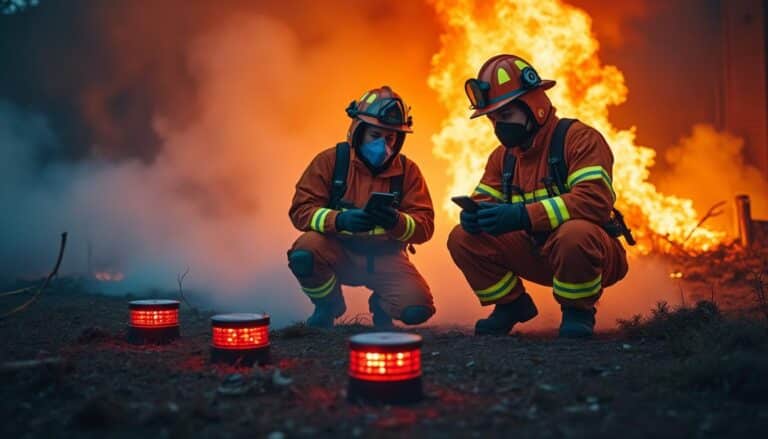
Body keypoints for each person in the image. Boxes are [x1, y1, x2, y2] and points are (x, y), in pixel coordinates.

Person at [447, 54, 630, 338]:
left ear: (535, 105)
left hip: (588, 253)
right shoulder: (502, 158)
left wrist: (523, 215)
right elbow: (484, 197)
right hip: (535, 253)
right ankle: (512, 306)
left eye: (505, 116)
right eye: (493, 119)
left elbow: (594, 201)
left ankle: (578, 312)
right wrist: (475, 216)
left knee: (575, 233)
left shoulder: (579, 139)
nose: (498, 126)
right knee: (461, 237)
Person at [288, 86, 436, 328]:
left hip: (387, 258)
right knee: (305, 252)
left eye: (390, 138)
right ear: (358, 132)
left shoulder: (408, 172)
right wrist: (339, 220)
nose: (383, 145)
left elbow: (425, 227)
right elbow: (300, 210)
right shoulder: (330, 162)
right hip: (338, 253)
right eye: (375, 135)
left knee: (417, 310)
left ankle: (381, 304)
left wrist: (395, 221)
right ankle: (328, 306)